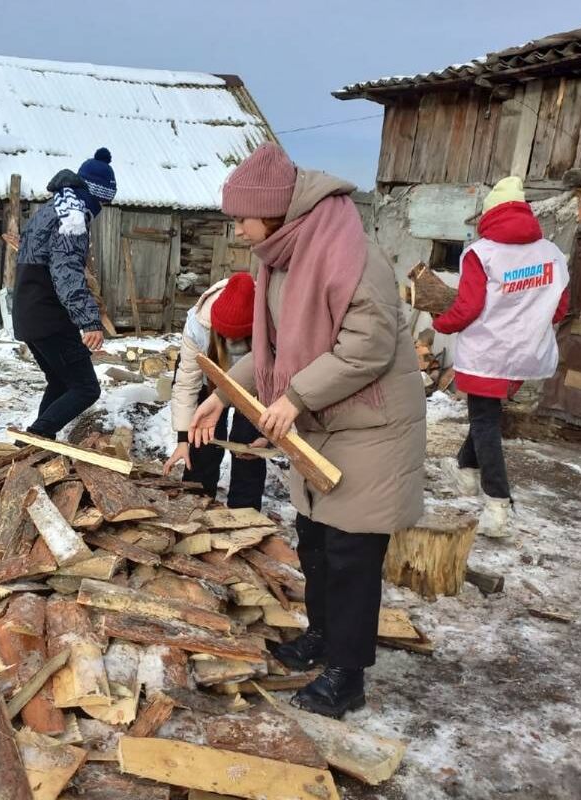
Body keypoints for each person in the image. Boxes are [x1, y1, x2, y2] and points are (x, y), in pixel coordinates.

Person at [190, 143, 425, 719]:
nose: (239, 230)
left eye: (243, 218)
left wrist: (293, 398)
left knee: (351, 553)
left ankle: (348, 674)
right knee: (316, 541)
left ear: (273, 211)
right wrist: (221, 396)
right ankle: (322, 636)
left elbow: (366, 349)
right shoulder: (279, 257)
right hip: (320, 424)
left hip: (370, 425)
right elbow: (270, 351)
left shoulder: (353, 256)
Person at [433, 177, 569, 539]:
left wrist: (441, 323)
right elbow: (560, 308)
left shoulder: (482, 252)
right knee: (486, 415)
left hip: (487, 352)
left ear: (491, 212)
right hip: (524, 353)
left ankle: (497, 504)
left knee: (485, 422)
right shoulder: (551, 254)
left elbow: (468, 306)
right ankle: (465, 473)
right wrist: (528, 327)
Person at [13, 148, 117, 439]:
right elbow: (66, 272)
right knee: (86, 387)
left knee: (60, 381)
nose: (101, 209)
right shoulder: (72, 217)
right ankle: (37, 436)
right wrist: (90, 320)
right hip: (49, 315)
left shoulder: (50, 209)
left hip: (29, 312)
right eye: (103, 202)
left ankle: (37, 442)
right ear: (96, 195)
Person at [163, 272, 266, 509]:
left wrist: (268, 434)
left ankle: (245, 514)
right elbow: (186, 382)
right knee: (202, 440)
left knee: (247, 447)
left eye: (240, 337)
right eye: (227, 336)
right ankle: (195, 503)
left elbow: (281, 380)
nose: (232, 343)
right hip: (209, 383)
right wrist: (182, 439)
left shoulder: (272, 321)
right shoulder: (199, 324)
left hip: (254, 388)